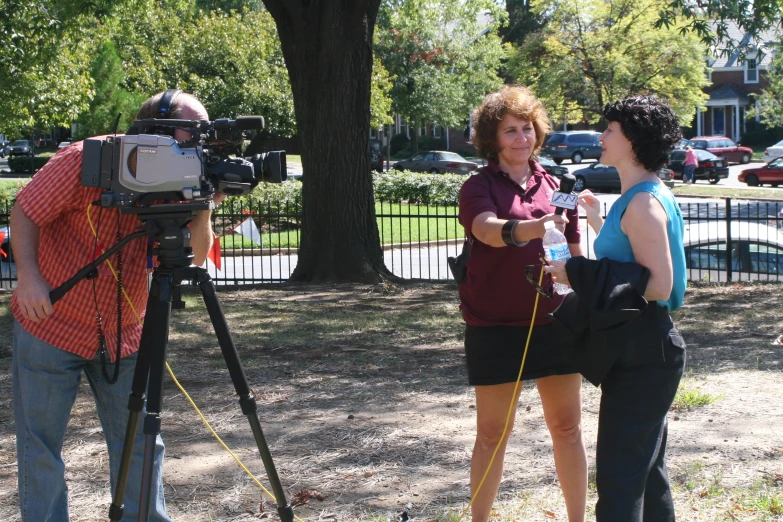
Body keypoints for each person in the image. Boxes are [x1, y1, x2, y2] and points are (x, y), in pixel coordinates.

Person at [10, 90, 224, 522]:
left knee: (143, 440)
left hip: (125, 333)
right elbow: (26, 211)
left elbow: (198, 256)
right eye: (190, 132)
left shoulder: (186, 177)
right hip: (51, 323)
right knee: (41, 446)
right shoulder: (84, 160)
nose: (199, 146)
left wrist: (201, 205)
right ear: (152, 130)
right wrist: (29, 276)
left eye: (205, 136)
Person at [547, 94, 687, 521]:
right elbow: (631, 255)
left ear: (633, 140)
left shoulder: (643, 203)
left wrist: (577, 274)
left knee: (620, 479)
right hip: (642, 348)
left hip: (645, 351)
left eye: (610, 129)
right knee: (645, 474)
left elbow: (659, 284)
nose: (602, 136)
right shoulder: (640, 196)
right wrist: (598, 220)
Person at [458, 85, 587, 522]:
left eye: (527, 129)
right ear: (492, 139)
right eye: (510, 131)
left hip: (555, 322)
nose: (521, 139)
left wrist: (575, 270)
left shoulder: (555, 185)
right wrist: (536, 227)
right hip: (494, 324)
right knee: (493, 434)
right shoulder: (477, 185)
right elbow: (486, 230)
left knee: (567, 428)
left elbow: (573, 248)